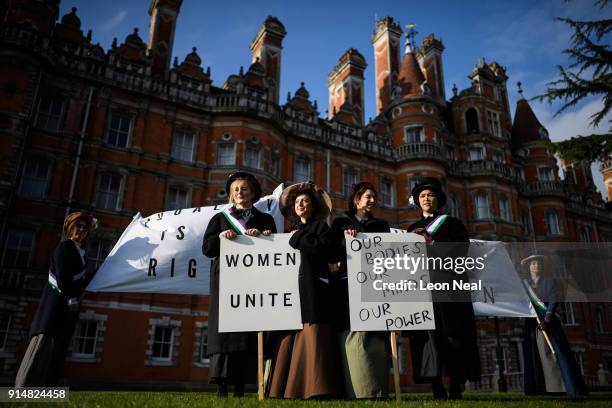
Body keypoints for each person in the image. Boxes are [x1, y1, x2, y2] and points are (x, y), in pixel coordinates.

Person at [202, 172, 276, 397]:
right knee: (225, 331)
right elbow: (207, 249)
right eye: (235, 190)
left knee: (247, 332)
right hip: (225, 282)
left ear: (253, 193)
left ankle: (241, 388)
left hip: (253, 283)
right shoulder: (220, 218)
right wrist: (220, 238)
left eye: (244, 189)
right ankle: (222, 387)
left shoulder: (265, 219)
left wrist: (263, 237)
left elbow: (275, 248)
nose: (239, 193)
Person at [406, 177, 480, 399]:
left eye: (430, 195)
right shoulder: (411, 229)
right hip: (423, 292)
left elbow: (461, 254)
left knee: (453, 337)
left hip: (449, 290)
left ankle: (456, 385)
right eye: (422, 196)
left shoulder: (453, 224)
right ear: (418, 201)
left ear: (438, 199)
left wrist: (432, 244)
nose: (426, 199)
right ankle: (436, 386)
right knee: (429, 340)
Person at [266, 182, 342, 399]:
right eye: (297, 202)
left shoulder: (320, 228)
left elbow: (326, 251)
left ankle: (317, 387)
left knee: (313, 334)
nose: (301, 204)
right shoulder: (288, 231)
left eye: (305, 201)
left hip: (314, 291)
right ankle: (286, 387)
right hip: (290, 294)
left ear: (313, 206)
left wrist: (299, 237)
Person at [15, 211, 97, 387]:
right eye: (78, 226)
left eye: (85, 227)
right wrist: (70, 298)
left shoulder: (81, 253)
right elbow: (61, 276)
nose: (82, 230)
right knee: (42, 348)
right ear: (69, 228)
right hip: (54, 308)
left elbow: (80, 280)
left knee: (57, 352)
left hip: (65, 310)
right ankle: (24, 389)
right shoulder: (65, 247)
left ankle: (46, 391)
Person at [327, 182, 390, 399]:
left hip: (373, 286)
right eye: (368, 196)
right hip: (346, 287)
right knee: (348, 330)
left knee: (374, 332)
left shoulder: (381, 225)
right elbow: (331, 254)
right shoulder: (340, 223)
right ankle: (349, 385)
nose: (372, 200)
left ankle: (375, 386)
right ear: (357, 200)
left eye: (374, 197)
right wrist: (346, 240)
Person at [521, 254, 588, 398]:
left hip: (549, 323)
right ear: (528, 267)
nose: (536, 266)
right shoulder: (524, 285)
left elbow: (553, 300)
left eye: (538, 264)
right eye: (533, 264)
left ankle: (569, 388)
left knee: (559, 354)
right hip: (532, 324)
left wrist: (547, 319)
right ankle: (538, 389)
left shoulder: (550, 282)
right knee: (534, 355)